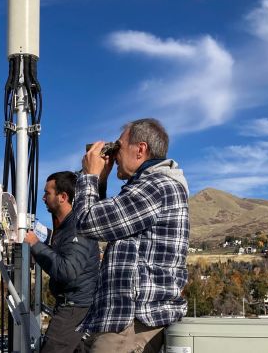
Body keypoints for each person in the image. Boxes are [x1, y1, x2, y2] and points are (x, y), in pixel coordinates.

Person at [74, 118, 189, 353]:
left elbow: (88, 222)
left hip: (132, 323)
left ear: (140, 149)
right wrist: (101, 181)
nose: (114, 154)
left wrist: (90, 176)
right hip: (129, 321)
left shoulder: (156, 186)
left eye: (119, 146)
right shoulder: (149, 187)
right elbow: (106, 223)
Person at [24, 171, 100, 353]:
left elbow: (68, 270)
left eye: (47, 193)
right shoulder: (65, 227)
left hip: (75, 308)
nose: (43, 198)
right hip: (74, 306)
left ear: (62, 197)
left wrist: (35, 245)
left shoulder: (77, 227)